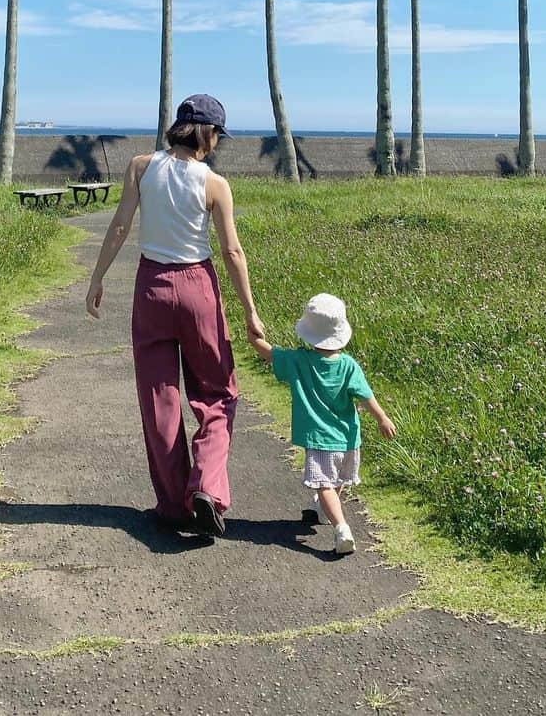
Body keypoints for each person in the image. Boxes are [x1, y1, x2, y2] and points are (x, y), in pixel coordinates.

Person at [85, 95, 264, 538]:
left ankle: (171, 505)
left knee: (159, 398)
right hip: (197, 287)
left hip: (151, 287)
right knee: (218, 393)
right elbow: (231, 251)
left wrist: (97, 278)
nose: (218, 143)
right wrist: (250, 312)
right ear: (207, 134)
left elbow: (122, 225)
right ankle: (205, 486)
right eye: (218, 135)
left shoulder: (141, 167)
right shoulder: (214, 183)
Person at [249, 292, 396, 555]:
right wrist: (382, 418)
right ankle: (323, 510)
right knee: (337, 480)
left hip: (319, 439)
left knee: (324, 484)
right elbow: (365, 395)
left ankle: (342, 529)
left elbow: (266, 352)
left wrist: (253, 332)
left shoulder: (298, 360)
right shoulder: (349, 366)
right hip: (348, 438)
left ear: (308, 332)